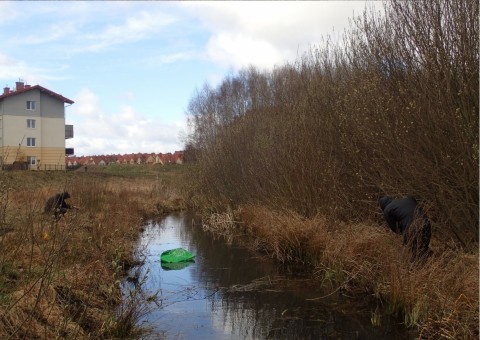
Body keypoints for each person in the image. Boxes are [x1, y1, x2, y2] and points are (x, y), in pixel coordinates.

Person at [379, 195, 433, 262]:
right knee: (423, 246)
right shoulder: (408, 199)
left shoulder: (387, 210)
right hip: (426, 223)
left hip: (412, 228)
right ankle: (433, 259)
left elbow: (395, 228)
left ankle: (413, 268)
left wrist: (403, 232)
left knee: (410, 250)